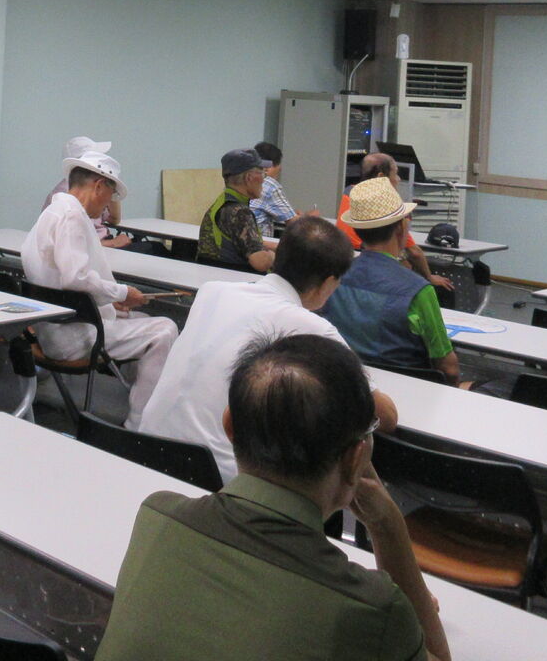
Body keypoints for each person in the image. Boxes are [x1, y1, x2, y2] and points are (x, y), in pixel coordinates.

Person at [97, 335, 448, 661]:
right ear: (357, 458)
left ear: (229, 427)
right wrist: (387, 524)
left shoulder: (157, 516)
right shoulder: (374, 608)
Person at [141, 217, 398, 482]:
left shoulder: (212, 291)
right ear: (329, 282)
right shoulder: (312, 327)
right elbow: (386, 416)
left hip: (143, 446)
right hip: (213, 473)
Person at [21, 149, 177, 429]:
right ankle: (139, 424)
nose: (108, 205)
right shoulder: (72, 216)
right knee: (165, 329)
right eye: (111, 194)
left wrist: (107, 299)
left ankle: (137, 399)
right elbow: (76, 279)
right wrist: (122, 293)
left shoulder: (53, 212)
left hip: (53, 327)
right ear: (98, 186)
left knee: (141, 320)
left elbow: (62, 281)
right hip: (72, 337)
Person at [323, 177, 459, 384]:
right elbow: (448, 366)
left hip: (346, 384)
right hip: (408, 390)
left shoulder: (333, 276)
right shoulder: (418, 290)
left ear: (357, 230)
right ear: (401, 228)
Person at [336, 153, 452, 291]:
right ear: (381, 177)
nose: (399, 179)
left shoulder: (350, 193)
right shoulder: (388, 210)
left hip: (347, 262)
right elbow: (413, 253)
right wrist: (429, 277)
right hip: (376, 268)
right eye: (395, 173)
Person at [43, 135, 130, 248]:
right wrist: (113, 243)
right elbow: (70, 245)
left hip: (98, 245)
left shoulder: (66, 197)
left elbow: (114, 219)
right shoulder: (69, 205)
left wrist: (112, 187)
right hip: (99, 246)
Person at [197, 148, 276, 272]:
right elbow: (260, 263)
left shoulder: (222, 202)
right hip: (236, 279)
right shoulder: (240, 212)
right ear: (249, 178)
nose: (264, 179)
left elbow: (243, 240)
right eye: (262, 174)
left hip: (215, 275)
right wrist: (272, 256)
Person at [250, 142, 309, 236]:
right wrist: (311, 217)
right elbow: (294, 223)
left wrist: (291, 213)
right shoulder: (269, 185)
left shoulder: (244, 178)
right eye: (279, 166)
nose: (280, 169)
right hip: (258, 241)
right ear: (268, 167)